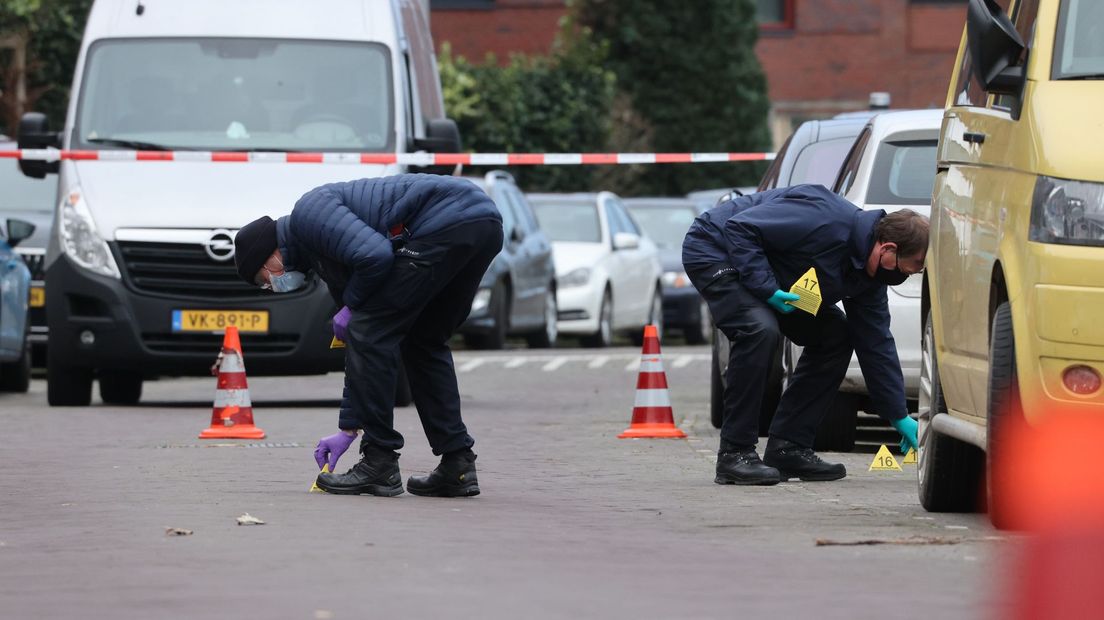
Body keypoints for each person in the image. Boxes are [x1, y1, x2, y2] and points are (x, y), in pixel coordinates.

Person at [234, 174, 503, 497]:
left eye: (265, 279)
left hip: (446, 222)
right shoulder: (326, 259)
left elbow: (375, 256)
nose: (272, 285)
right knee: (423, 341)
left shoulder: (308, 213)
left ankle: (379, 462)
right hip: (480, 222)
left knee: (371, 330)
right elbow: (357, 346)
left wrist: (352, 309)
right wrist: (347, 428)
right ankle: (457, 464)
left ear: (270, 254)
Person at [682, 184, 925, 486]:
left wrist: (897, 414)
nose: (912, 273)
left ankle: (788, 446)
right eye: (913, 265)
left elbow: (875, 342)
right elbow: (740, 228)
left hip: (766, 268)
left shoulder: (869, 278)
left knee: (835, 336)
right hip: (715, 247)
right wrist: (767, 289)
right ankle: (735, 453)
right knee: (759, 330)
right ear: (888, 248)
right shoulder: (824, 219)